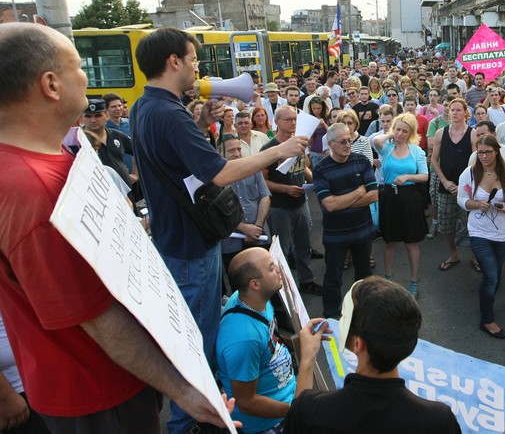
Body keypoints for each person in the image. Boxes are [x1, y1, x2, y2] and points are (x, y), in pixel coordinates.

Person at [0, 22, 231, 432]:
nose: (87, 79)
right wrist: (186, 390)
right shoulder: (34, 189)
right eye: (78, 66)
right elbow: (99, 317)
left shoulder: (38, 159)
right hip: (99, 394)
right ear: (51, 84)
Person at [131, 26, 308, 433]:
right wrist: (278, 151)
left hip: (177, 237)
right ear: (174, 61)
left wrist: (202, 123)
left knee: (194, 332)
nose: (197, 68)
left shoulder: (146, 106)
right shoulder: (169, 114)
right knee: (199, 340)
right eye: (193, 59)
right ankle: (190, 424)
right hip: (191, 244)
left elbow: (178, 163)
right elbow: (221, 172)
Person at [284, 277, 505, 434]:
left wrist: (306, 361)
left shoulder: (311, 410)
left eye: (346, 317)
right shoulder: (436, 421)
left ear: (358, 344)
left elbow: (298, 413)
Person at [216, 247, 325, 434]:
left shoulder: (256, 300)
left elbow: (270, 337)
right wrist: (295, 411)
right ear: (255, 284)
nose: (278, 269)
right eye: (271, 267)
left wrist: (299, 340)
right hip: (270, 424)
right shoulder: (244, 340)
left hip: (288, 397)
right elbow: (246, 402)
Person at [458, 135, 505, 339]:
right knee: (491, 276)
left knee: (495, 273)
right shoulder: (469, 173)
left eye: (488, 152)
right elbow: (461, 199)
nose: (484, 156)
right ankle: (487, 319)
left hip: (504, 234)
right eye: (480, 152)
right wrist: (476, 204)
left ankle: (488, 302)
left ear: (496, 152)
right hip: (479, 232)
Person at [313, 123, 379, 318]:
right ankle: (332, 315)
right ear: (330, 144)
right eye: (342, 142)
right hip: (336, 235)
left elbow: (373, 195)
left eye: (349, 140)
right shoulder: (321, 169)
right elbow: (329, 205)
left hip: (362, 231)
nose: (348, 145)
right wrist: (358, 192)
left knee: (364, 276)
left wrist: (341, 202)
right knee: (333, 278)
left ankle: (363, 311)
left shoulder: (362, 161)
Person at [262, 106, 323, 296]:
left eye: (295, 119)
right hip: (280, 207)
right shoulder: (269, 148)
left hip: (301, 202)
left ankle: (306, 281)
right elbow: (263, 181)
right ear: (277, 122)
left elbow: (303, 167)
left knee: (304, 245)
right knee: (282, 250)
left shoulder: (298, 142)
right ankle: (283, 291)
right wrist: (285, 189)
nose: (293, 123)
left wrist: (315, 180)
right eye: (288, 119)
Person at [372, 114, 430, 299]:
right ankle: (388, 280)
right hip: (389, 197)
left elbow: (424, 176)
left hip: (409, 198)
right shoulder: (386, 147)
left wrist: (408, 177)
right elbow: (375, 140)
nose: (400, 133)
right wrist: (391, 134)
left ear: (411, 133)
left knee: (411, 242)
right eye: (398, 129)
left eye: (405, 131)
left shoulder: (416, 151)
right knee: (389, 241)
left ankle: (413, 281)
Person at [218, 134, 271, 290]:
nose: (237, 154)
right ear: (219, 152)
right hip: (232, 242)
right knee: (241, 288)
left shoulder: (252, 168)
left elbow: (265, 196)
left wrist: (258, 226)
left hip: (259, 237)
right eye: (231, 150)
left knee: (265, 283)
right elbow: (215, 211)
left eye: (239, 149)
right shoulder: (215, 177)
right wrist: (244, 228)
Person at [432, 99, 478, 271]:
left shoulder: (472, 133)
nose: (455, 113)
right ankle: (453, 254)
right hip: (446, 187)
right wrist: (444, 181)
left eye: (459, 110)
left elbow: (476, 162)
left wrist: (463, 185)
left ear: (466, 112)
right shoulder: (440, 133)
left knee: (472, 224)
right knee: (447, 224)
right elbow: (434, 160)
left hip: (467, 189)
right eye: (453, 110)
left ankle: (475, 256)